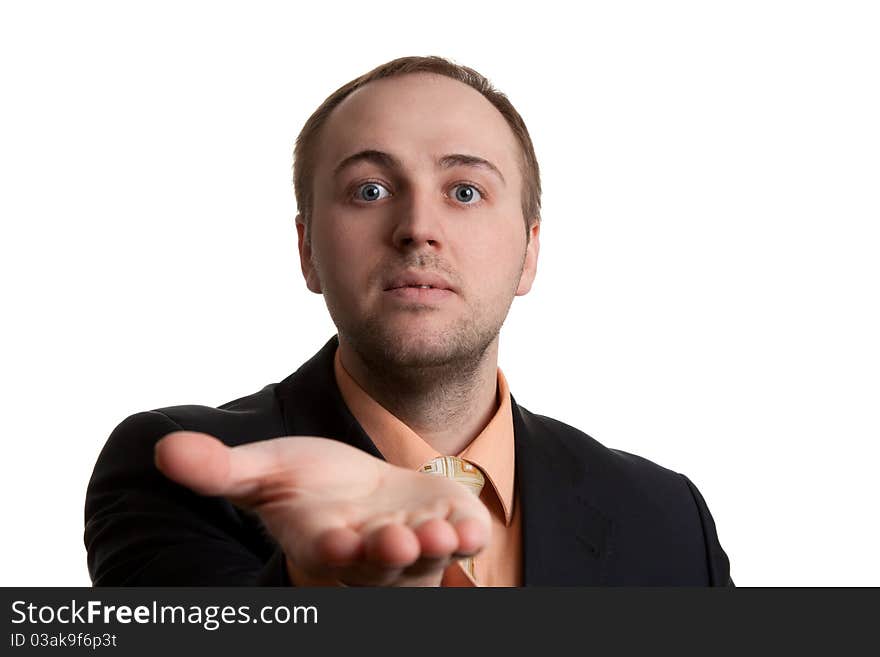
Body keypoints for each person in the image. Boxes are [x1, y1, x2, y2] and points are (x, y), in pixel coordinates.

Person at [84, 55, 733, 587]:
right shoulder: (172, 472)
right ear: (308, 251)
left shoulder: (668, 517)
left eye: (465, 191)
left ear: (529, 252)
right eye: (370, 190)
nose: (419, 228)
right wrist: (321, 592)